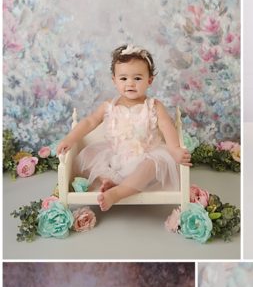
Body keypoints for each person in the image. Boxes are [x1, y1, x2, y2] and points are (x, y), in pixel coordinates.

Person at [55, 45, 190, 211]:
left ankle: (117, 192)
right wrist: (70, 138)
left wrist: (175, 149)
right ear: (114, 80)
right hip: (116, 157)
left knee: (151, 165)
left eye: (138, 78)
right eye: (124, 78)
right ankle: (109, 181)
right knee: (89, 154)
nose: (130, 84)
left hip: (145, 155)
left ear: (150, 80)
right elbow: (90, 122)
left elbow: (166, 126)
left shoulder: (154, 106)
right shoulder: (109, 106)